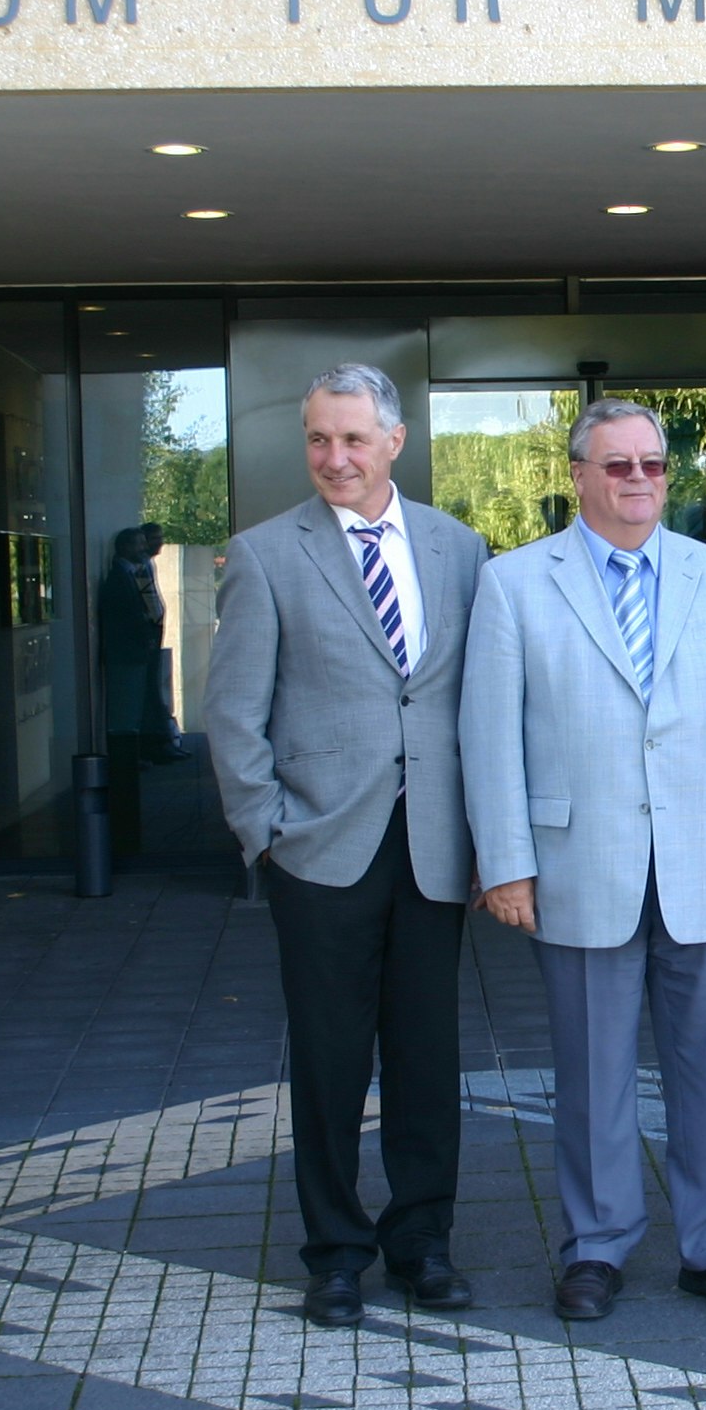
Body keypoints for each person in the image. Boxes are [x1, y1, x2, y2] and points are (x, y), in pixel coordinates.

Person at [462, 398, 706, 1323]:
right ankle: (596, 1246)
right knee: (593, 1072)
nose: (637, 479)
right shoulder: (515, 584)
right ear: (577, 476)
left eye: (651, 464)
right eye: (616, 465)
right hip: (579, 865)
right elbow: (489, 739)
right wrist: (506, 864)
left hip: (701, 862)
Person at [204, 364, 488, 1326]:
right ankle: (333, 1251)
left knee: (426, 1056)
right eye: (320, 440)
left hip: (436, 848)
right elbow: (234, 716)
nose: (336, 458)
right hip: (321, 848)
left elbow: (470, 702)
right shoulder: (265, 553)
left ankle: (423, 1241)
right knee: (329, 1061)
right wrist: (269, 836)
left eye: (354, 439)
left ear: (395, 442)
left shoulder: (460, 549)